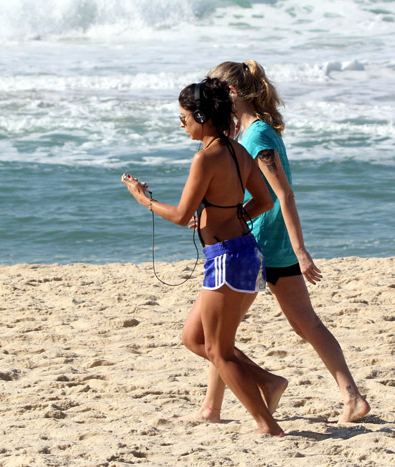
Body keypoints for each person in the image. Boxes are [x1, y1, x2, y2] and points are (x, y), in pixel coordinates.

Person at [182, 60, 371, 424]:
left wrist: (301, 251)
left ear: (231, 94)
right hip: (264, 242)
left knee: (213, 335)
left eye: (216, 89)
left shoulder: (258, 137)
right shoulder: (250, 134)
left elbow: (283, 195)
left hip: (261, 246)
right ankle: (352, 397)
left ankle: (253, 392)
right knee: (294, 326)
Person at [122, 78, 285, 436]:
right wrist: (230, 215)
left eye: (183, 117)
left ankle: (267, 424)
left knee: (219, 351)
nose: (182, 124)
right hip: (243, 254)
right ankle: (267, 382)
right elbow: (264, 201)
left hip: (227, 260)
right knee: (195, 339)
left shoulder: (204, 158)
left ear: (201, 115)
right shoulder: (237, 151)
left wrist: (143, 199)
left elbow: (181, 216)